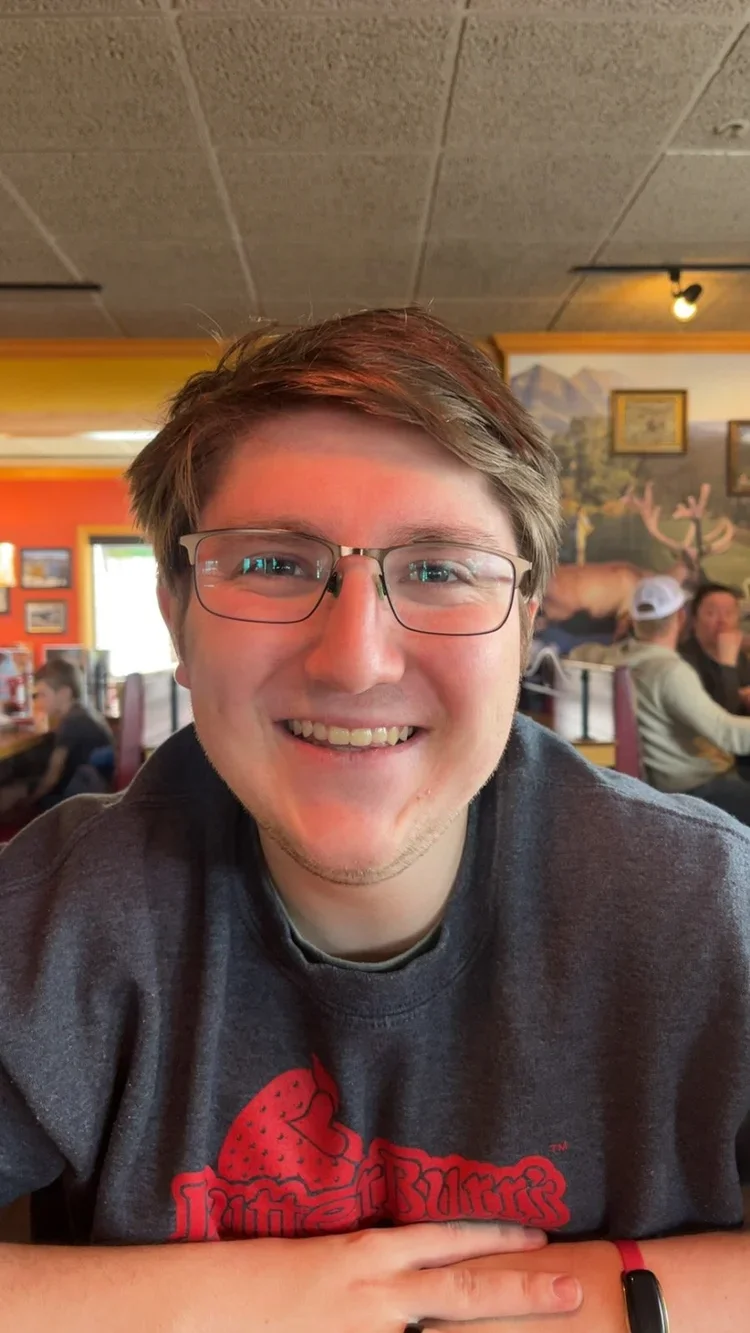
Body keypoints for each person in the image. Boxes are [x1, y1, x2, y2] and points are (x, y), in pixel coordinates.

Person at [0, 309, 749, 1333]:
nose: (356, 658)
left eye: (440, 569)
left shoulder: (709, 910)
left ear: (528, 623)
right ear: (176, 613)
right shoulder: (52, 918)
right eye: (271, 563)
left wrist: (618, 1307)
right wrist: (246, 1303)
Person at [570, 574, 750, 824]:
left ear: (633, 620)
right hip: (695, 790)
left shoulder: (606, 657)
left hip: (658, 788)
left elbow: (578, 652)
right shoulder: (669, 671)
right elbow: (728, 735)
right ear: (681, 617)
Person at [10, 659, 114, 814]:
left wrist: (29, 802)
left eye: (42, 695)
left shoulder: (72, 723)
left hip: (80, 802)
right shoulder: (83, 713)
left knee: (12, 792)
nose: (38, 701)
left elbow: (52, 776)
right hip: (97, 792)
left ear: (65, 693)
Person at [680, 582, 750, 714]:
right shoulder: (683, 661)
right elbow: (721, 717)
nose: (722, 621)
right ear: (694, 621)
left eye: (729, 613)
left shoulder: (739, 655)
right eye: (711, 613)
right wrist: (727, 665)